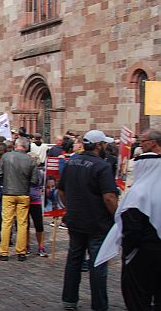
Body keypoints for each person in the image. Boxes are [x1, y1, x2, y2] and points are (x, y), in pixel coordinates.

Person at [95, 128, 160, 310]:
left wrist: (129, 250)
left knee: (138, 297)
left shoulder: (138, 192)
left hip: (142, 254)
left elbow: (131, 229)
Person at [59, 130, 119, 311]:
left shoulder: (71, 163)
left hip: (76, 219)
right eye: (104, 144)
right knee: (97, 264)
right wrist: (117, 217)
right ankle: (99, 305)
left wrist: (70, 207)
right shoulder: (102, 166)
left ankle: (69, 300)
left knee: (74, 260)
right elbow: (109, 196)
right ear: (99, 145)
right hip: (97, 222)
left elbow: (61, 191)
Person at [0, 137, 37, 261]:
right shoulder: (31, 160)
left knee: (7, 222)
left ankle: (4, 252)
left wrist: (6, 178)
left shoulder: (7, 157)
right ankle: (21, 252)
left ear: (16, 145)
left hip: (8, 192)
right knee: (22, 223)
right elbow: (34, 180)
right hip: (23, 193)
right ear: (26, 147)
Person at [27, 157, 48, 257]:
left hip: (34, 200)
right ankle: (29, 245)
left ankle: (39, 246)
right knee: (28, 225)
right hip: (29, 199)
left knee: (37, 225)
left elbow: (43, 186)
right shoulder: (38, 173)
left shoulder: (41, 173)